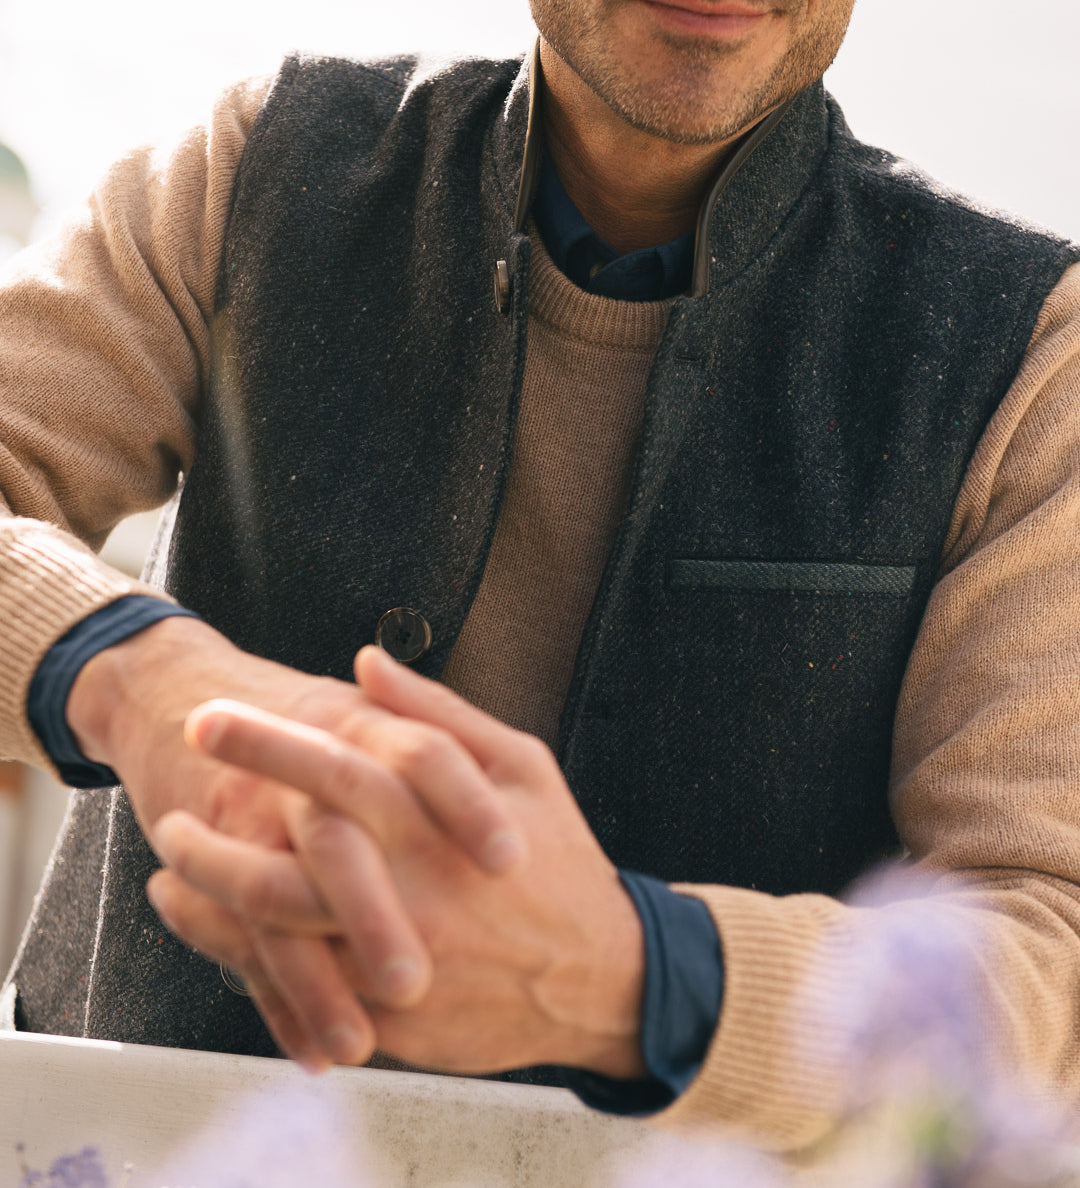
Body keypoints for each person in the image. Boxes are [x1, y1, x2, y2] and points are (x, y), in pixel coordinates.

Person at [2, 0, 1080, 1151]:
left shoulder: (1031, 350)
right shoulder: (251, 163)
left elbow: (1044, 944)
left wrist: (636, 977)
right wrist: (134, 680)